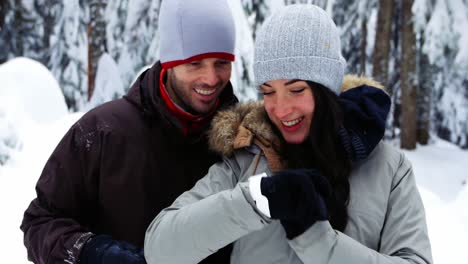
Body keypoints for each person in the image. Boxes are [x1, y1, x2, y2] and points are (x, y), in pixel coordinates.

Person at [144, 4, 433, 264]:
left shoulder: (389, 169)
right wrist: (254, 201)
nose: (280, 109)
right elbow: (160, 248)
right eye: (268, 92)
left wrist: (318, 241)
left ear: (326, 89)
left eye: (296, 90)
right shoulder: (247, 158)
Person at [20, 0, 238, 263]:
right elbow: (41, 222)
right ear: (169, 61)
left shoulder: (243, 140)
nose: (211, 78)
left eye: (222, 62)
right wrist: (92, 252)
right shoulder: (102, 132)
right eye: (195, 63)